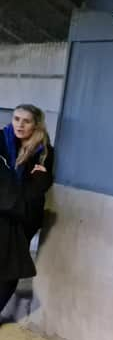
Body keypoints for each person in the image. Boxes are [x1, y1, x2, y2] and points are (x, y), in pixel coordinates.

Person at [0, 104, 54, 315]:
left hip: (23, 217)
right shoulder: (2, 141)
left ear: (36, 124)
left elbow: (40, 186)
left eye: (26, 121)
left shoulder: (44, 151)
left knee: (11, 271)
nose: (19, 125)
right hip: (3, 212)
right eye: (16, 119)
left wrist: (40, 178)